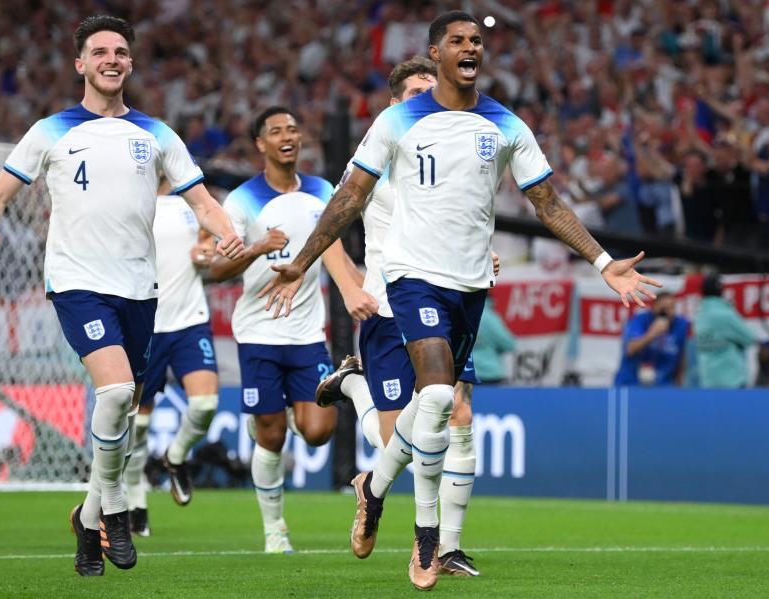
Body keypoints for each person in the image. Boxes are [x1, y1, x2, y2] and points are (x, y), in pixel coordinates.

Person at [259, 11, 660, 590]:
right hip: (409, 281)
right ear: (437, 51)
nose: (469, 47)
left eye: (477, 40)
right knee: (442, 396)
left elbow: (546, 202)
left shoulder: (504, 125)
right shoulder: (397, 121)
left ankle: (373, 486)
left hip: (470, 286)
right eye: (457, 40)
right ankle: (428, 541)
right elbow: (350, 196)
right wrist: (302, 261)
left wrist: (602, 263)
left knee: (432, 413)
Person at [0, 15, 245, 577]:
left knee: (124, 406)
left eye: (120, 51)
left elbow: (201, 200)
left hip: (141, 290)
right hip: (77, 283)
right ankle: (115, 507)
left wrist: (228, 231)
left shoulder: (156, 134)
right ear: (81, 64)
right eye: (99, 52)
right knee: (117, 393)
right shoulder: (51, 130)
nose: (111, 59)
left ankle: (87, 518)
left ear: (131, 63)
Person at [314, 56, 486, 577]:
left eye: (429, 91)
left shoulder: (451, 150)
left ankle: (445, 546)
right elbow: (331, 220)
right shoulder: (379, 150)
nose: (423, 100)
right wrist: (347, 286)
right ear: (394, 102)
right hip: (390, 306)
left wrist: (483, 255)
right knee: (398, 444)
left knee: (457, 414)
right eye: (413, 92)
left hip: (448, 297)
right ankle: (354, 389)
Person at [209, 106, 374, 554]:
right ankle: (275, 528)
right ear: (260, 144)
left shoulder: (324, 192)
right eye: (276, 131)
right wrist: (260, 246)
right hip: (258, 331)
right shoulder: (242, 200)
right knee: (271, 433)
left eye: (294, 130)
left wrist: (361, 291)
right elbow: (218, 270)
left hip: (305, 333)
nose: (287, 136)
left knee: (318, 430)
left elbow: (338, 255)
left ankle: (277, 423)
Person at [124, 178, 221, 538]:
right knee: (140, 424)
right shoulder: (129, 202)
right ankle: (136, 499)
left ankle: (176, 456)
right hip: (144, 323)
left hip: (188, 322)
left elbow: (211, 234)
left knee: (206, 402)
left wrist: (207, 248)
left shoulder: (190, 203)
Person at [614, 292, 690, 387]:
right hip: (632, 383)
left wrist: (679, 385)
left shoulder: (681, 325)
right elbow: (630, 349)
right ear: (654, 307)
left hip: (663, 386)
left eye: (671, 308)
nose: (667, 312)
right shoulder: (640, 320)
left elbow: (681, 358)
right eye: (663, 308)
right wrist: (652, 334)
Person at [694, 275, 756, 388]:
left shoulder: (699, 313)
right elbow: (750, 338)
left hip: (708, 380)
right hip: (731, 380)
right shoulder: (724, 314)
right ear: (721, 290)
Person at [467, 296, 516, 385]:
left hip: (464, 374)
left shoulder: (458, 314)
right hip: (489, 374)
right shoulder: (489, 317)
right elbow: (509, 344)